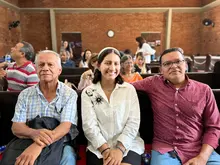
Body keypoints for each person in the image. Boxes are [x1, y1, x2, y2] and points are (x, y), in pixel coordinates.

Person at [132, 47, 220, 165]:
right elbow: (125, 87)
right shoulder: (153, 83)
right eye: (167, 63)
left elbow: (213, 127)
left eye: (178, 61)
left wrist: (202, 157)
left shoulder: (204, 90)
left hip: (199, 149)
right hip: (165, 150)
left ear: (185, 65)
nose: (173, 66)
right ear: (161, 70)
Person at [11, 50, 78, 165]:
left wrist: (38, 145)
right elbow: (16, 127)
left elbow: (65, 127)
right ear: (36, 69)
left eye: (50, 64)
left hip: (60, 142)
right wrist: (33, 133)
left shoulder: (69, 94)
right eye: (41, 65)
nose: (45, 68)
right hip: (29, 140)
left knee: (68, 159)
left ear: (59, 70)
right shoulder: (25, 95)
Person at [81, 47, 144, 165]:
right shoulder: (89, 92)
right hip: (98, 146)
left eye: (116, 64)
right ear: (99, 65)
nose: (112, 68)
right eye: (108, 63)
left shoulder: (129, 89)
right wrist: (105, 150)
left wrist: (120, 149)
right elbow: (89, 125)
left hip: (128, 144)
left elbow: (133, 122)